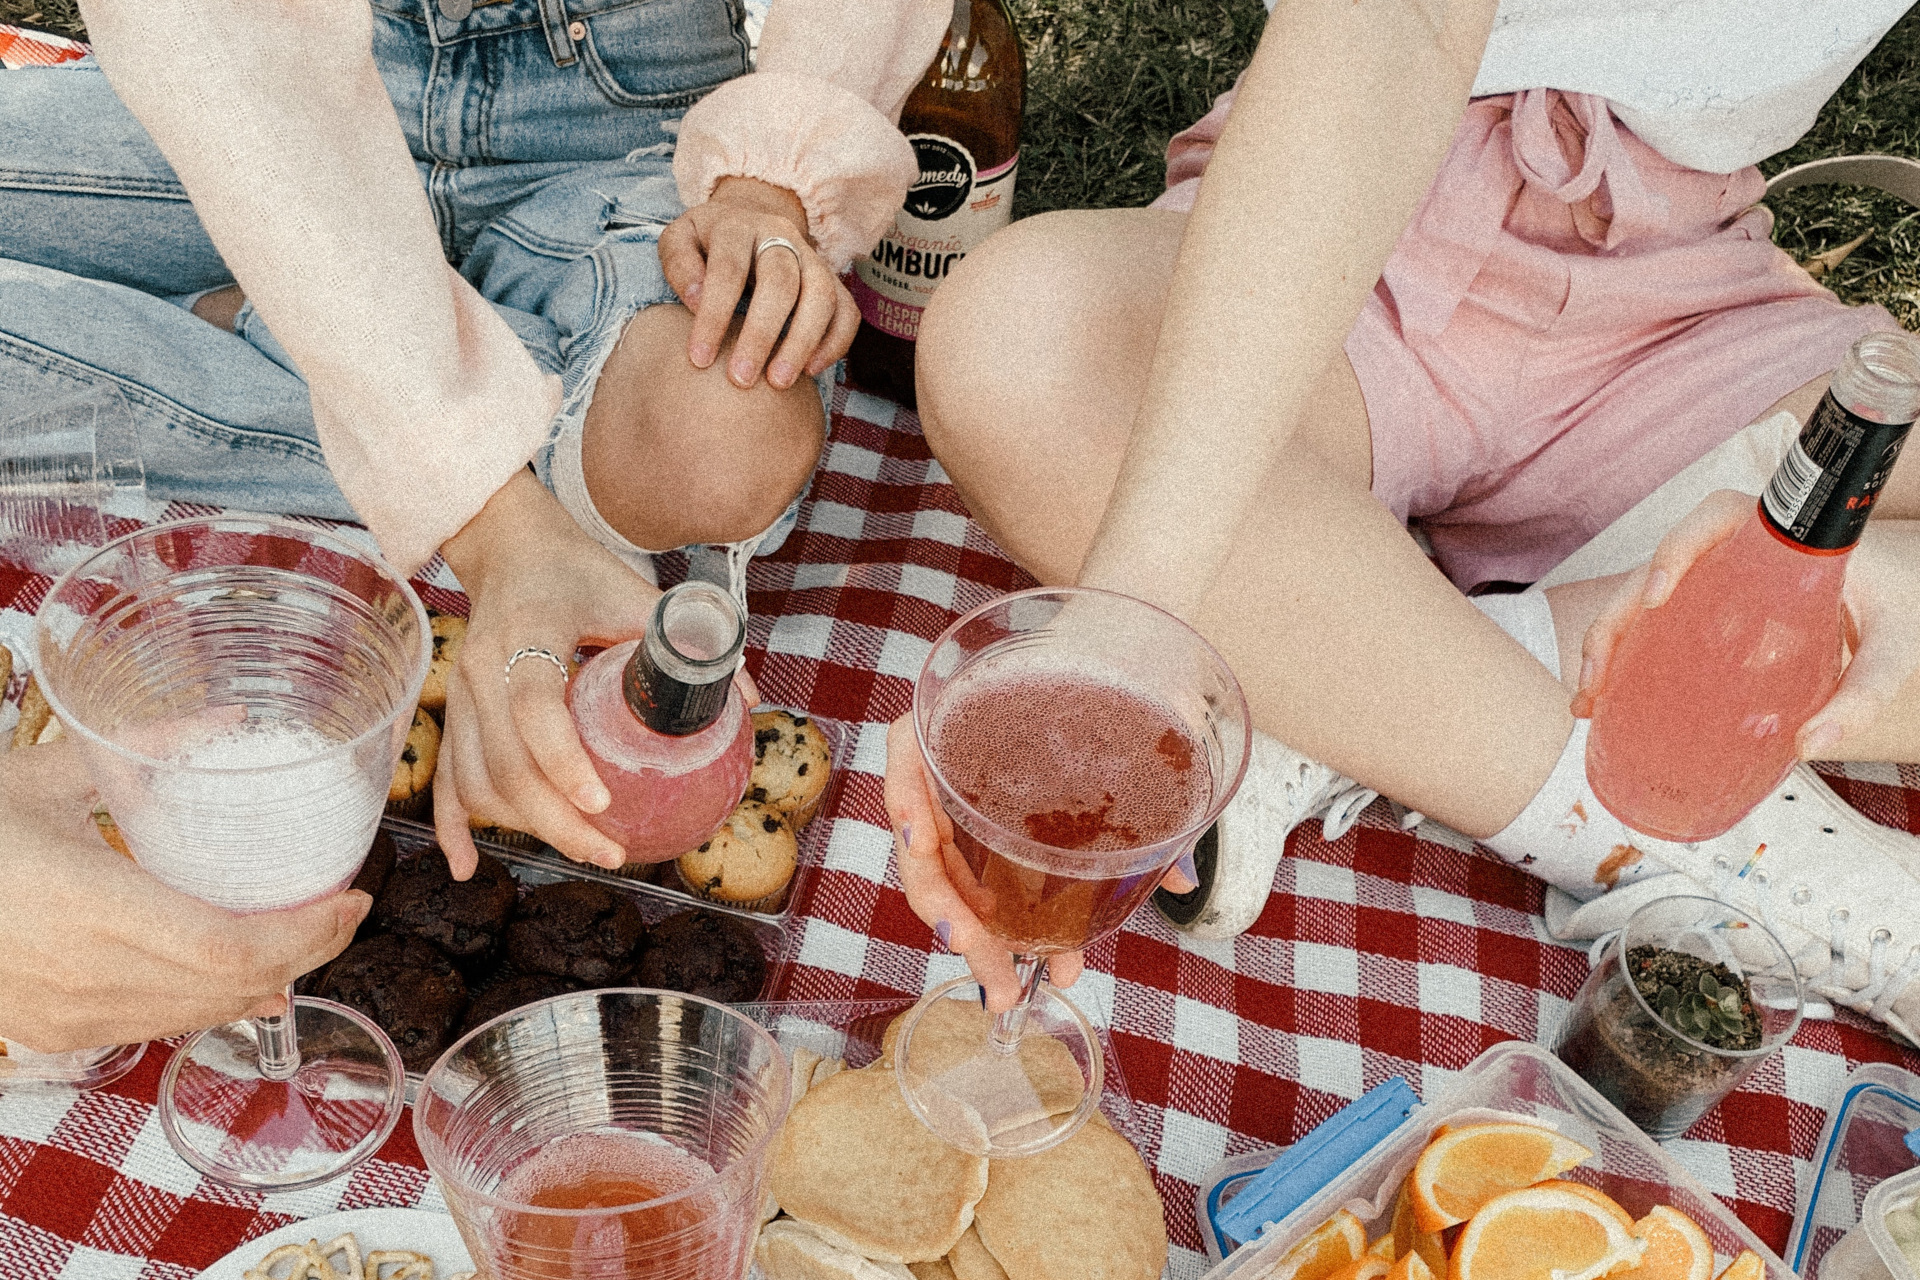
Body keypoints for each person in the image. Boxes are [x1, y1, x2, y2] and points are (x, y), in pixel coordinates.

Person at [886, 0, 1920, 1043]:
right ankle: (1725, 858)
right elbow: (1400, 23)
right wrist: (1134, 619)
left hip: (1695, 293)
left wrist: (1893, 580)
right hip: (1361, 216)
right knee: (1022, 354)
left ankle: (1359, 699)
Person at [0, 0, 953, 1052]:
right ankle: (371, 347)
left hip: (627, 122)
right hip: (281, 111)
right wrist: (494, 522)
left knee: (723, 434)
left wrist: (772, 178)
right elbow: (225, 53)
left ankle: (298, 339)